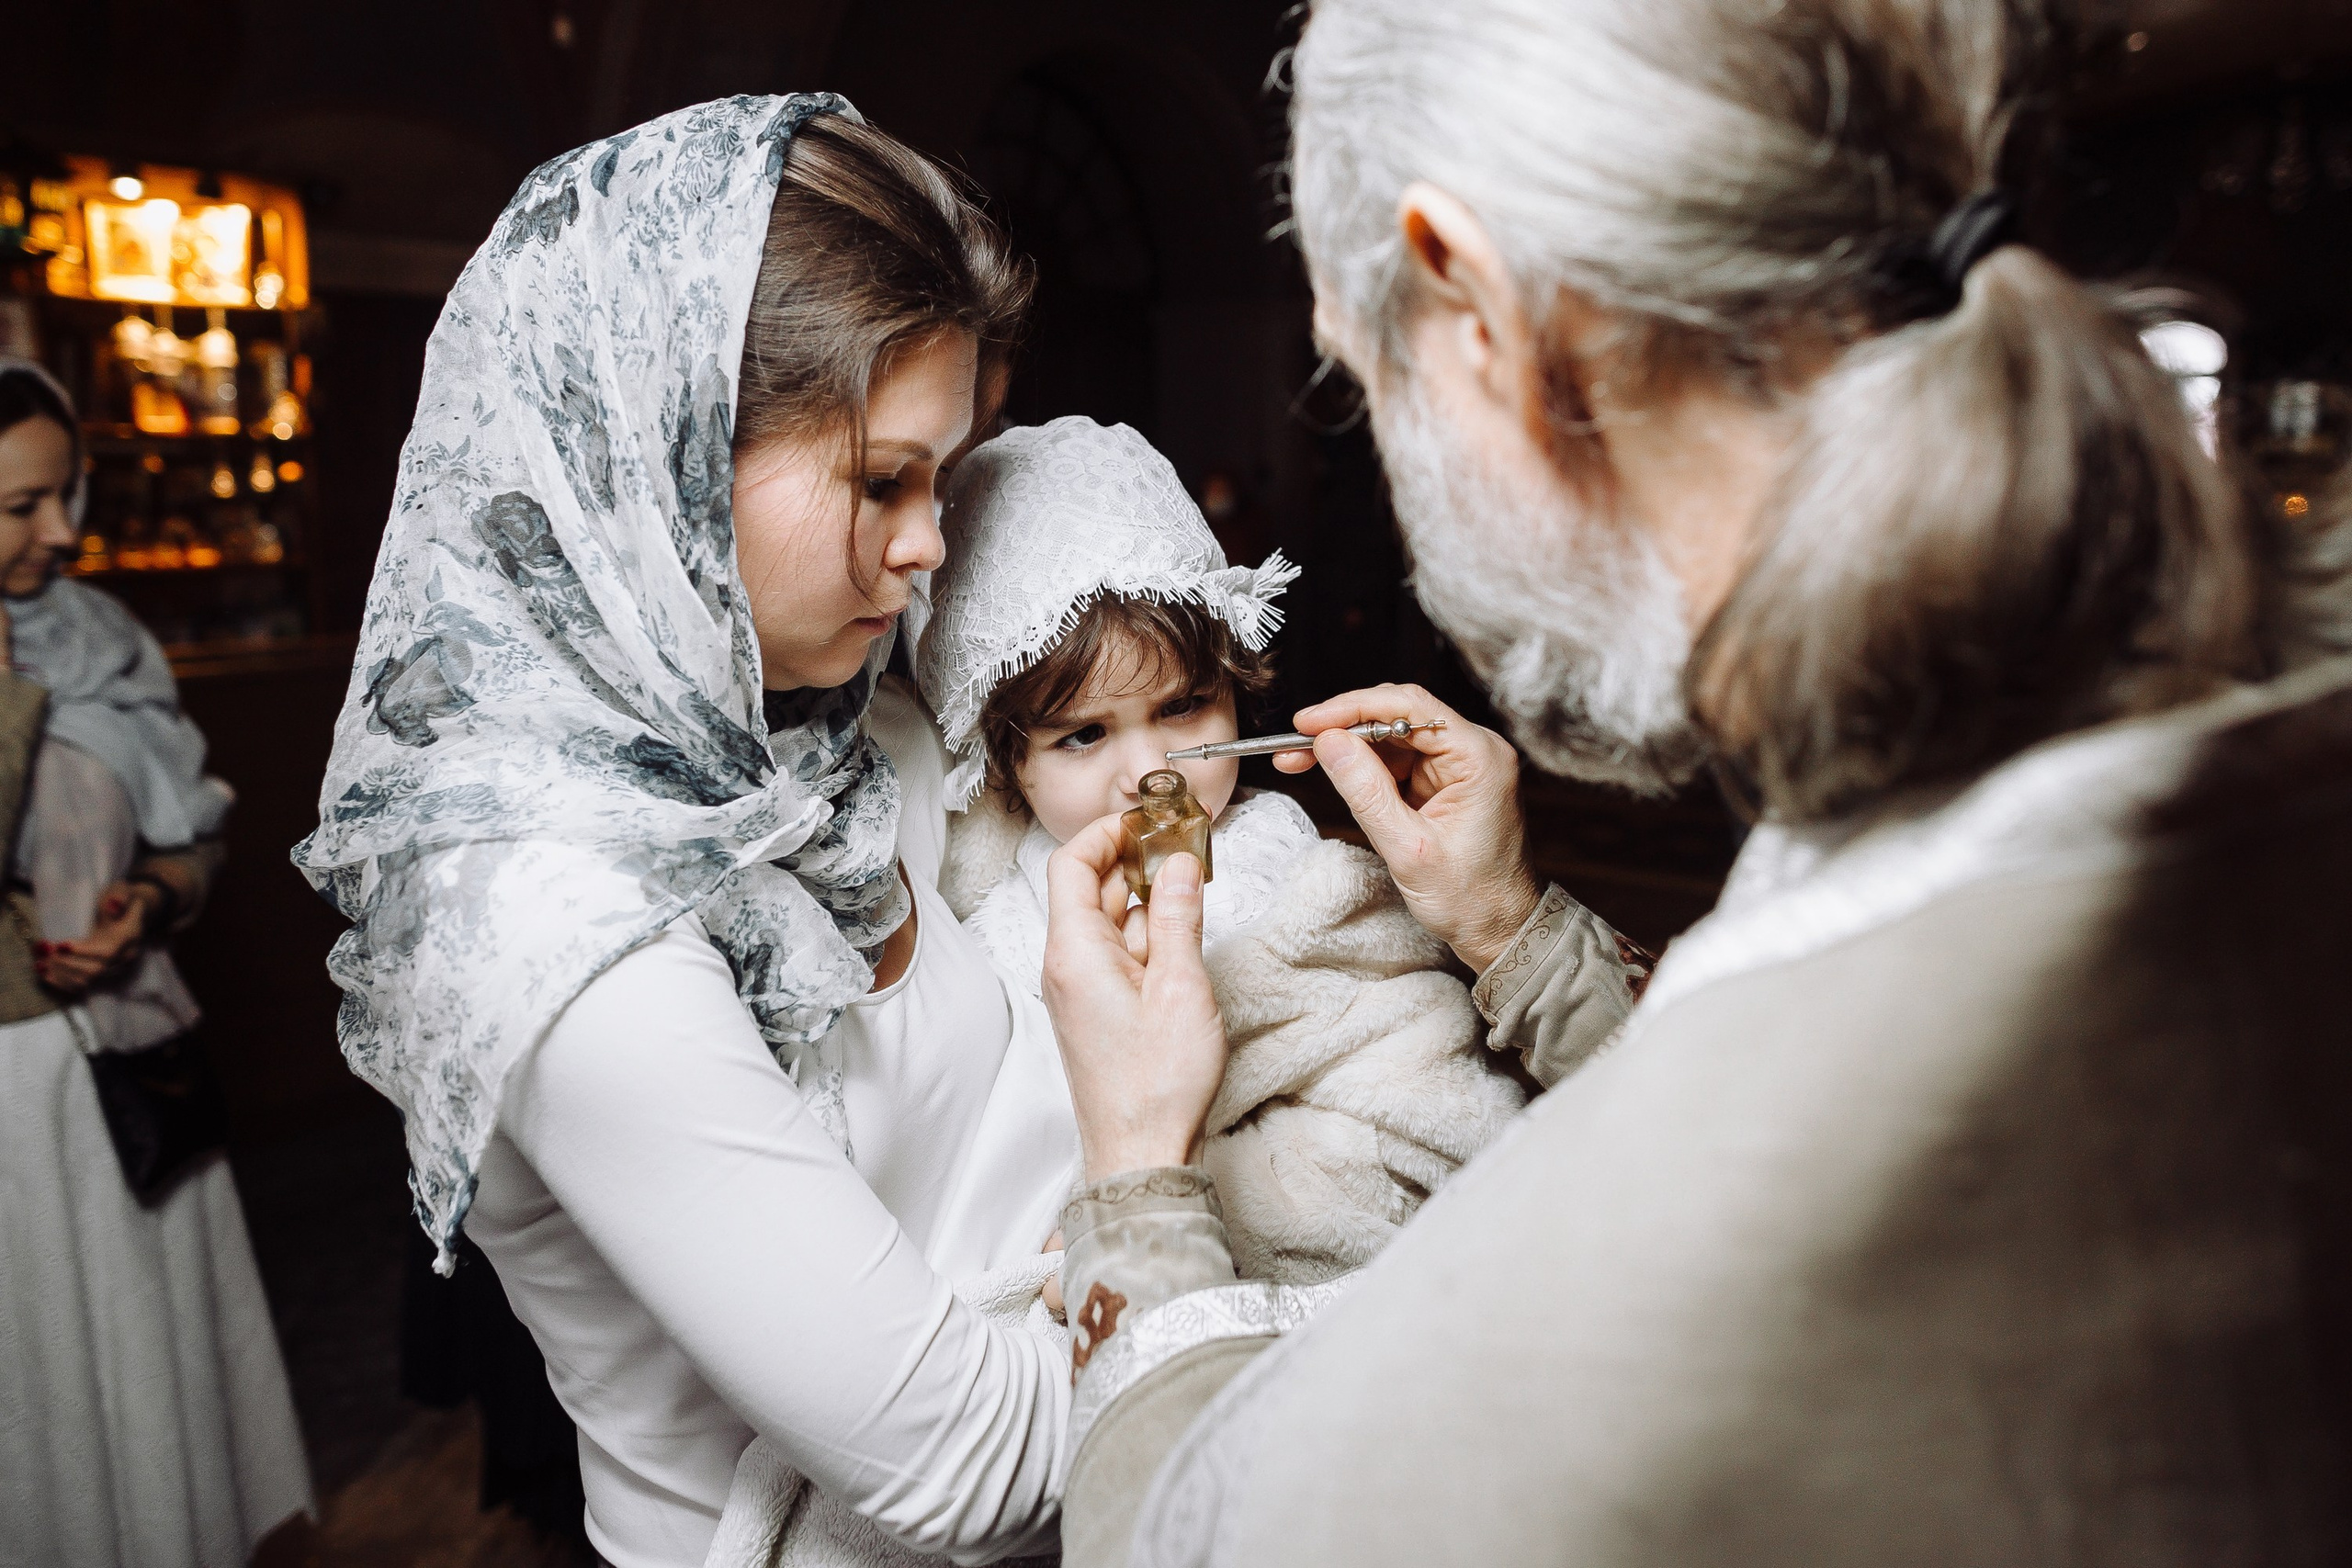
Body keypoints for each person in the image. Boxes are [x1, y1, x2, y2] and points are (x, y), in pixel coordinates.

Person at [1031, 2, 2352, 1563]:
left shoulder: (1720, 1215)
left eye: (1358, 379)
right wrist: (1514, 927)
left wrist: (1134, 1174)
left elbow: (1200, 1540)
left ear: (1476, 310)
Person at [294, 97, 1088, 1568]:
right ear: (660, 458)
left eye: (944, 480)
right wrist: (1190, 1201)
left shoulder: (858, 736)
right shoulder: (548, 915)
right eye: (883, 480)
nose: (929, 546)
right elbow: (964, 1462)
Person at [920, 413, 1539, 1287]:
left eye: (1181, 708)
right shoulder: (985, 921)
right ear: (1007, 761)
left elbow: (1417, 1076)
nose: (1150, 772)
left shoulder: (1295, 875)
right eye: (1084, 735)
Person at [0, 360, 313, 1567]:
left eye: (65, 494)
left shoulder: (97, 630)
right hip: (15, 1102)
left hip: (131, 1065)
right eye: (22, 505)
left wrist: (153, 894)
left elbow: (197, 831)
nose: (63, 530)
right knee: (50, 1406)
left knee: (151, 1378)